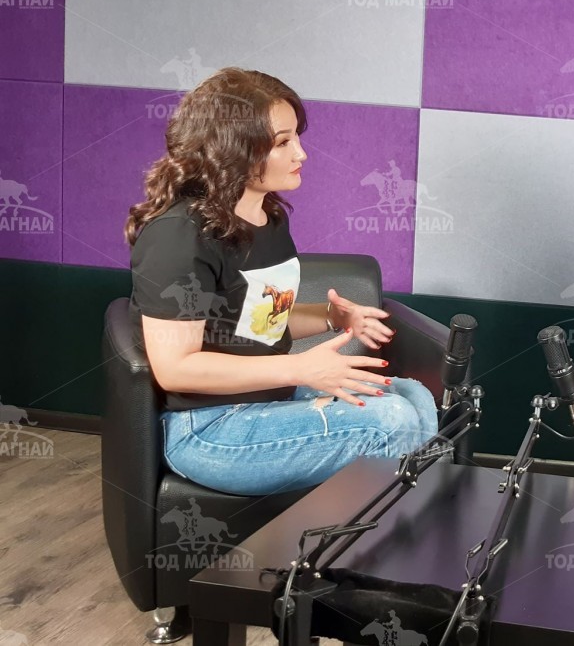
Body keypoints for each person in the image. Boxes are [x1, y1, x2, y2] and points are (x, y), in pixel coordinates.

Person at [125, 67, 437, 497]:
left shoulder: (268, 218)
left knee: (413, 397)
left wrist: (332, 317)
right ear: (233, 149)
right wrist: (300, 367)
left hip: (268, 397)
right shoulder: (178, 236)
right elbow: (174, 368)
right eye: (282, 142)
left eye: (297, 138)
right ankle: (374, 534)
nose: (301, 153)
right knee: (391, 420)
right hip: (207, 429)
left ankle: (401, 521)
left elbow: (261, 324)